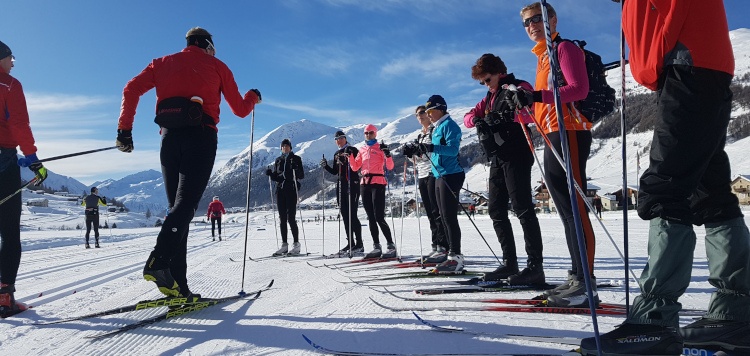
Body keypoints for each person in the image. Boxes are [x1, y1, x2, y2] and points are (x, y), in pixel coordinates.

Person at [580, 1, 750, 354]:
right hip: (701, 65)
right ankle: (737, 312)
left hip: (687, 66)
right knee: (711, 194)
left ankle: (654, 320)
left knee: (665, 189)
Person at [115, 27, 260, 298]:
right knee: (185, 206)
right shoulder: (217, 66)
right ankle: (159, 260)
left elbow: (131, 89)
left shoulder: (162, 63)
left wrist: (125, 130)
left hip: (169, 139)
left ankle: (177, 287)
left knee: (176, 210)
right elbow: (240, 110)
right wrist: (252, 98)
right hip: (201, 136)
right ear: (207, 45)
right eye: (213, 48)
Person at [508, 2, 596, 307]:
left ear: (552, 19)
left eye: (537, 19)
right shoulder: (543, 57)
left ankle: (586, 283)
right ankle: (576, 276)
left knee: (575, 207)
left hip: (570, 132)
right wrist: (525, 112)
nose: (531, 26)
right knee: (564, 210)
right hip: (552, 135)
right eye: (526, 23)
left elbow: (578, 89)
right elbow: (546, 104)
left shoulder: (565, 49)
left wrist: (537, 96)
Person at [464, 53, 545, 285]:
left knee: (522, 208)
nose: (485, 84)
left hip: (517, 153)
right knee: (496, 209)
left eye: (487, 79)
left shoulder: (517, 87)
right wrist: (477, 120)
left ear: (499, 73)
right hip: (498, 157)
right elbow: (468, 117)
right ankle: (510, 262)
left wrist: (508, 116)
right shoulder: (489, 97)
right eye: (482, 82)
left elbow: (532, 114)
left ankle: (535, 267)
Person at [0, 40, 48, 317]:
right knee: (8, 230)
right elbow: (18, 123)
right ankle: (4, 297)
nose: (12, 64)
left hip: (6, 155)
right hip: (3, 161)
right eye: (11, 59)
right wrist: (32, 159)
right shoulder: (9, 85)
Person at [420, 95, 465, 274]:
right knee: (442, 216)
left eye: (431, 111)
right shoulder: (437, 127)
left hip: (451, 175)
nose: (428, 115)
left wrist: (431, 148)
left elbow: (453, 150)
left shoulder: (449, 126)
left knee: (449, 216)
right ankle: (450, 255)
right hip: (439, 174)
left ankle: (456, 257)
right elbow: (435, 150)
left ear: (440, 109)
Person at [348, 124, 397, 259]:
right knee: (370, 217)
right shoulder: (362, 149)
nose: (368, 135)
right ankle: (376, 245)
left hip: (378, 182)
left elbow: (390, 166)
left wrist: (388, 155)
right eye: (366, 133)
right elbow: (354, 167)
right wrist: (350, 157)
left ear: (375, 134)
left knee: (379, 216)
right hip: (365, 184)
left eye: (371, 133)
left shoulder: (380, 148)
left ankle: (391, 245)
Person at [407, 105, 448, 263]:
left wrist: (420, 153)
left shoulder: (434, 130)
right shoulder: (420, 135)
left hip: (433, 172)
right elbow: (417, 160)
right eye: (417, 114)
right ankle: (435, 245)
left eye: (422, 113)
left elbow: (433, 152)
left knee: (436, 211)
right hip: (422, 174)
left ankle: (443, 246)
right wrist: (411, 155)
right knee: (430, 213)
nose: (420, 116)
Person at [320, 130, 364, 255]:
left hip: (352, 183)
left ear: (345, 138)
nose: (338, 141)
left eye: (340, 138)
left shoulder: (352, 149)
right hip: (341, 185)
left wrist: (350, 156)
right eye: (336, 139)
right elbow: (335, 171)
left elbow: (357, 165)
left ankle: (359, 243)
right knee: (345, 215)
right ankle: (351, 243)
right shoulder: (336, 154)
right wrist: (326, 166)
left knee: (352, 214)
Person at [266, 139, 304, 256]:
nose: (285, 148)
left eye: (287, 146)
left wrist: (295, 168)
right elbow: (277, 177)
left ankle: (296, 244)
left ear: (291, 147)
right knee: (282, 218)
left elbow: (301, 175)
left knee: (291, 218)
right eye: (283, 146)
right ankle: (284, 245)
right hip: (280, 191)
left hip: (291, 190)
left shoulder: (296, 159)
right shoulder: (278, 160)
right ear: (281, 148)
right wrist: (271, 174)